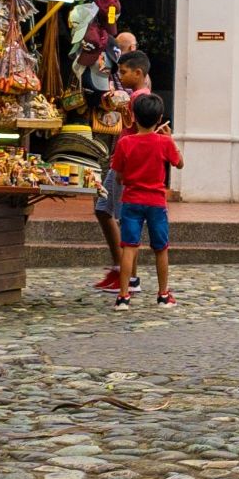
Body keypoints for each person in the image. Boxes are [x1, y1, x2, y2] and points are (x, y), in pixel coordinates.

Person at [109, 90, 183, 307]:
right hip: (156, 202)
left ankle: (123, 296)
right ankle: (163, 294)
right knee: (161, 248)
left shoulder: (125, 143)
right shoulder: (164, 143)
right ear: (159, 119)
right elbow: (179, 163)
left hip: (131, 200)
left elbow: (119, 176)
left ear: (134, 116)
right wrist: (170, 139)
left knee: (129, 247)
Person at [89, 55, 149, 297]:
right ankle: (119, 267)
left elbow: (141, 133)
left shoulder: (139, 98)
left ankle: (130, 276)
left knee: (126, 219)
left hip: (126, 165)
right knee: (103, 209)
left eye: (124, 72)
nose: (121, 77)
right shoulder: (134, 97)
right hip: (119, 161)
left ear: (138, 73)